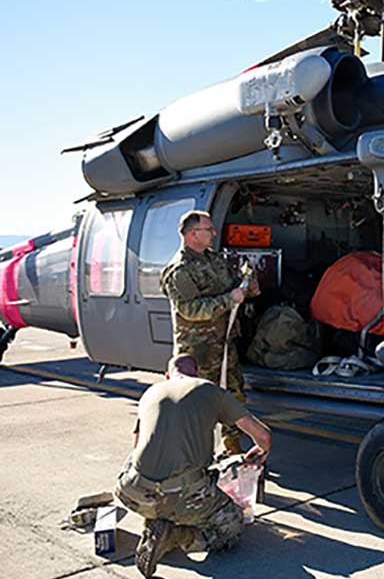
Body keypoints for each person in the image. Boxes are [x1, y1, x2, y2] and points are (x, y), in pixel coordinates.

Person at [116, 353, 272, 578]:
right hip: (184, 494)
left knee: (144, 464)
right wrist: (262, 450)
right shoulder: (211, 390)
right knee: (232, 524)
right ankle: (177, 537)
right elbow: (263, 436)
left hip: (131, 493)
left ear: (167, 375)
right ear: (197, 373)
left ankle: (156, 519)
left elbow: (136, 447)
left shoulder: (150, 392)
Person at [160, 210, 259, 455]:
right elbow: (190, 309)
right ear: (193, 234)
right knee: (198, 405)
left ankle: (232, 449)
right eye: (208, 229)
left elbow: (230, 287)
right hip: (198, 352)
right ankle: (193, 455)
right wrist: (229, 299)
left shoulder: (214, 260)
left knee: (233, 398)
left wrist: (247, 288)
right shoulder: (179, 270)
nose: (214, 233)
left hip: (223, 345)